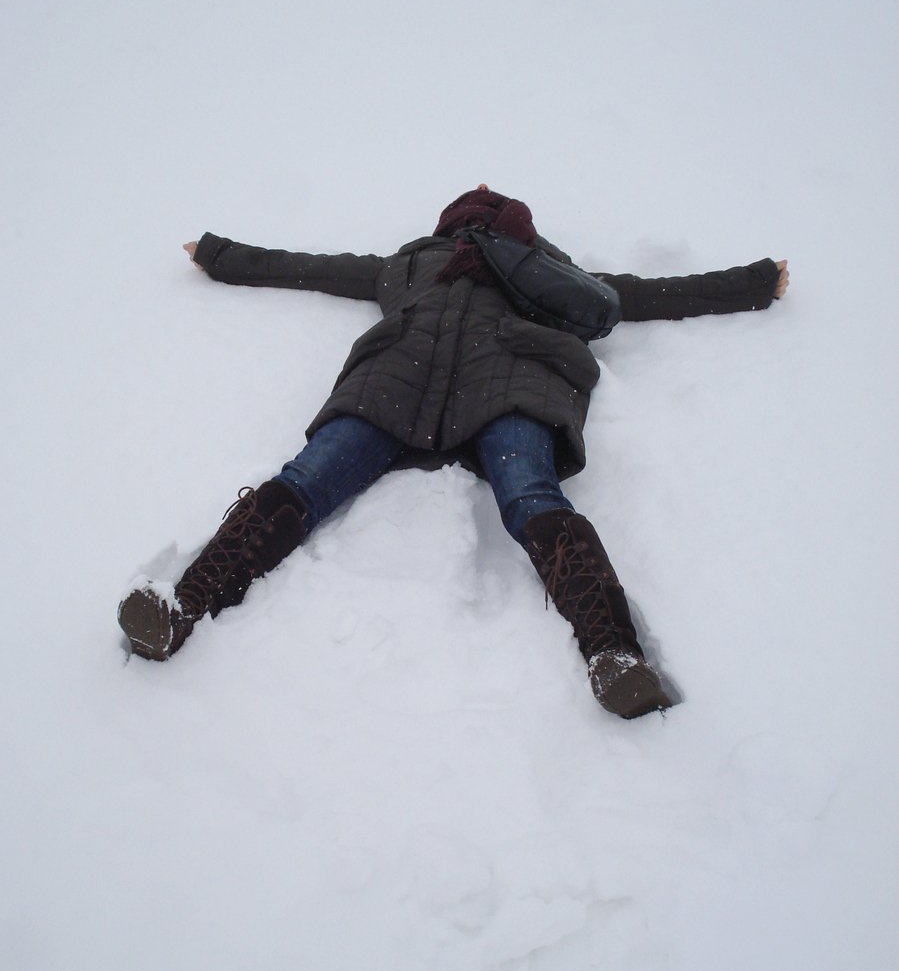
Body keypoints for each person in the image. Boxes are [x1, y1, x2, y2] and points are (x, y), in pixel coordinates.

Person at [118, 185, 789, 719]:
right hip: (395, 386)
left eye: (488, 222)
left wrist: (755, 282)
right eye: (470, 220)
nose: (477, 229)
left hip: (508, 386)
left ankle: (614, 657)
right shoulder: (412, 262)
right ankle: (182, 609)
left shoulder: (549, 276)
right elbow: (308, 268)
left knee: (531, 498)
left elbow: (640, 296)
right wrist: (219, 252)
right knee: (305, 479)